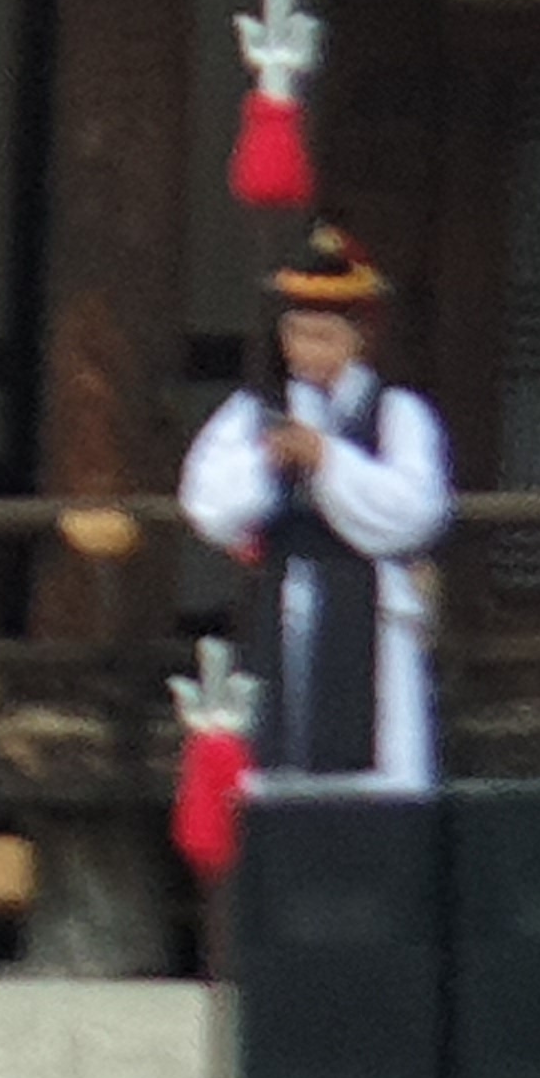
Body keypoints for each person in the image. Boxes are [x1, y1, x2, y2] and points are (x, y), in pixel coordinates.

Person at [177, 221, 454, 792]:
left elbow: (418, 510)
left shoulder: (398, 414)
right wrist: (267, 464)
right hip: (284, 601)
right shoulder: (256, 412)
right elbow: (207, 504)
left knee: (375, 769)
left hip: (372, 615)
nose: (308, 349)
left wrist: (327, 459)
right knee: (279, 761)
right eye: (298, 334)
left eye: (324, 336)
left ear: (359, 339)